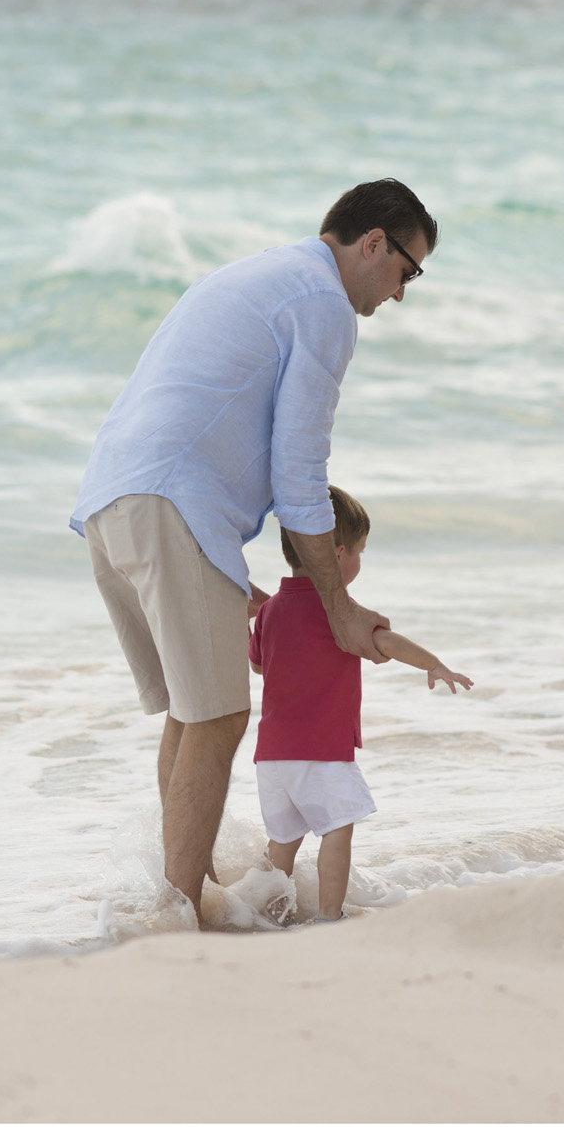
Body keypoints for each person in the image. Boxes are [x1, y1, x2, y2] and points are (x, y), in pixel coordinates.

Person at [70, 178, 436, 919]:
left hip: (114, 501)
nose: (401, 293)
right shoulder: (324, 304)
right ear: (373, 244)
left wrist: (223, 570)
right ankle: (177, 914)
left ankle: (183, 893)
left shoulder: (255, 273)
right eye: (408, 271)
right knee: (217, 717)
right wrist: (338, 607)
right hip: (174, 505)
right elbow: (298, 471)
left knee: (190, 709)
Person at [248, 484, 472, 923]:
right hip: (322, 751)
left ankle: (267, 916)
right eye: (360, 551)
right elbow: (384, 641)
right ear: (336, 552)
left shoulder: (272, 609)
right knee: (337, 830)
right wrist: (434, 664)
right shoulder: (338, 610)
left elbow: (257, 663)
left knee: (283, 841)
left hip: (272, 757)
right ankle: (330, 915)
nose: (360, 562)